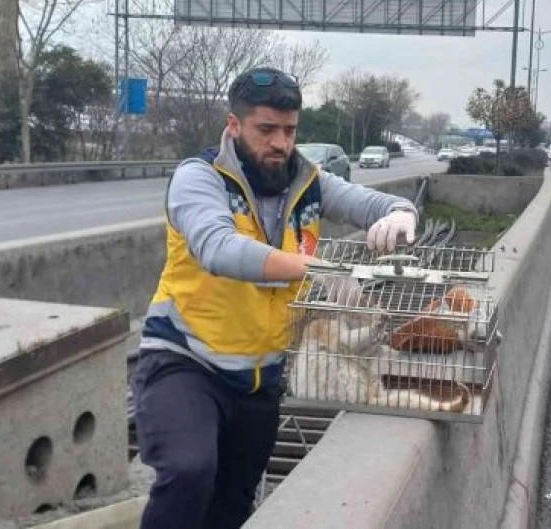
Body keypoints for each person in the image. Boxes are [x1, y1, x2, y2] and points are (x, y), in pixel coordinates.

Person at [131, 67, 418, 529]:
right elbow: (219, 249)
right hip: (186, 360)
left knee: (235, 499)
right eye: (266, 129)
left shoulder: (309, 182)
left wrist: (402, 214)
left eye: (290, 130)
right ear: (234, 125)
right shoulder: (200, 179)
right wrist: (318, 270)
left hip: (260, 375)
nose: (281, 143)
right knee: (188, 471)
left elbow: (372, 204)